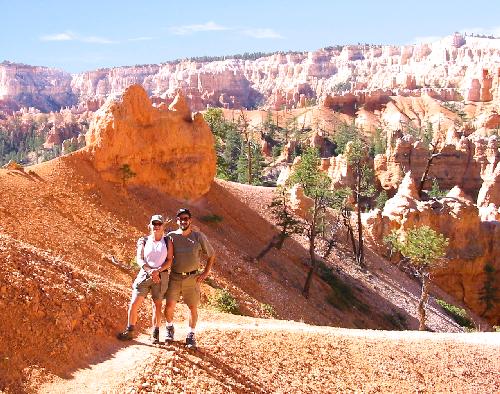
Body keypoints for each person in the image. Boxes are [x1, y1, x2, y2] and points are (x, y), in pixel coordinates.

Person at [164, 208, 215, 349]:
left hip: (192, 278)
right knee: (169, 305)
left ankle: (191, 334)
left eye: (186, 218)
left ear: (190, 220)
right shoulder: (172, 236)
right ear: (177, 221)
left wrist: (205, 272)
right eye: (180, 218)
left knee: (192, 307)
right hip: (175, 276)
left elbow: (211, 254)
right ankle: (169, 328)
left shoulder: (198, 237)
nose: (183, 221)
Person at [118, 214, 173, 344]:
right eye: (154, 224)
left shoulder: (167, 241)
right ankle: (130, 330)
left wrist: (158, 271)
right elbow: (139, 258)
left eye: (159, 224)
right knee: (134, 303)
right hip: (145, 274)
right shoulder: (143, 240)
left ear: (163, 225)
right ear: (150, 225)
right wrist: (150, 271)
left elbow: (170, 260)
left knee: (157, 305)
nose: (157, 226)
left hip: (161, 275)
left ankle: (155, 334)